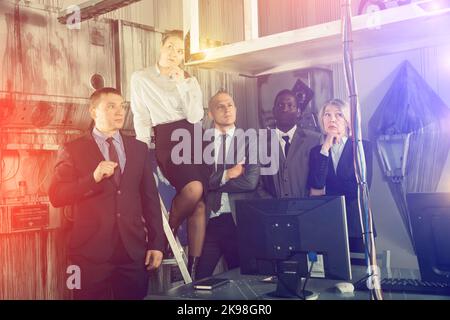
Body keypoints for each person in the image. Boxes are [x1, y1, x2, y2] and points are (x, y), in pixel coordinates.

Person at [49, 88, 164, 300]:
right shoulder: (72, 149)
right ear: (93, 112)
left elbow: (150, 200)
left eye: (122, 106)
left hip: (132, 252)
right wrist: (92, 178)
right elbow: (57, 196)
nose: (120, 112)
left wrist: (157, 244)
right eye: (111, 106)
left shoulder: (139, 148)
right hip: (89, 253)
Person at [130, 30, 206, 277]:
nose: (175, 54)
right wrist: (141, 151)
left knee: (199, 205)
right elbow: (141, 116)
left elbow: (195, 116)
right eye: (171, 47)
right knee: (194, 189)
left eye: (180, 51)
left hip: (193, 135)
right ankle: (162, 239)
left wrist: (181, 84)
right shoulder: (141, 78)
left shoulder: (188, 80)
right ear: (161, 46)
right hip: (167, 138)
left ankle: (192, 270)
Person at [196, 91, 260, 280]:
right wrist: (227, 174)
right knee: (200, 281)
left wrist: (213, 183)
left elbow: (250, 181)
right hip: (209, 223)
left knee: (243, 280)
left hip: (238, 222)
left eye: (230, 105)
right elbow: (199, 181)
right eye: (220, 106)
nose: (226, 110)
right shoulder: (200, 143)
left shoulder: (250, 139)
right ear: (210, 114)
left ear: (236, 109)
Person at [308, 98, 373, 253]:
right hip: (327, 224)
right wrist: (325, 149)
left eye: (338, 115)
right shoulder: (316, 152)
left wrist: (324, 192)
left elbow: (359, 189)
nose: (332, 119)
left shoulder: (362, 147)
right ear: (322, 120)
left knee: (359, 274)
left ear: (348, 121)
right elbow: (316, 185)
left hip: (357, 225)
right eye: (327, 115)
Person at [259, 89, 321, 199]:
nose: (285, 109)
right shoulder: (260, 142)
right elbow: (257, 182)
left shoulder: (314, 140)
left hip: (307, 210)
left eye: (290, 105)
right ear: (274, 111)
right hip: (272, 211)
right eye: (280, 105)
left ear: (298, 112)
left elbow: (319, 178)